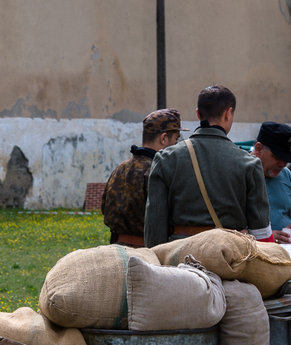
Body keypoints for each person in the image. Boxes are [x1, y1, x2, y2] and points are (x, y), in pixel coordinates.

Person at [144, 85, 273, 247]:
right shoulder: (249, 163)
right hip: (229, 258)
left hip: (179, 257)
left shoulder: (165, 159)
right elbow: (261, 233)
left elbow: (155, 226)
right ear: (228, 113)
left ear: (198, 114)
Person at [101, 109, 184, 246]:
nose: (177, 145)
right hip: (148, 255)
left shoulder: (120, 169)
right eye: (176, 140)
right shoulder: (159, 172)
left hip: (116, 250)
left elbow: (105, 208)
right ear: (163, 138)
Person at [252, 122, 291, 243]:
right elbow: (228, 228)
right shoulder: (239, 174)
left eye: (286, 159)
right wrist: (266, 237)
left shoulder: (286, 175)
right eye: (277, 157)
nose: (283, 164)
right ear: (258, 149)